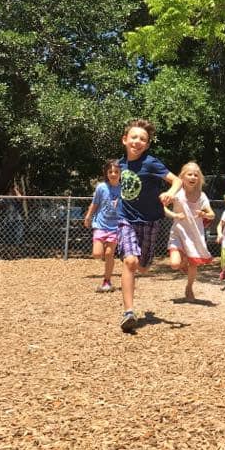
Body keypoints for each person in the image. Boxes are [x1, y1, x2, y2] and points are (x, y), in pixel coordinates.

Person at [117, 119, 182, 333]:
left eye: (142, 139)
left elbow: (177, 181)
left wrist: (170, 193)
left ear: (147, 144)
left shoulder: (151, 163)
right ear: (125, 140)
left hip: (150, 220)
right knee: (129, 261)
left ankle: (141, 268)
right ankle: (128, 312)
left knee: (142, 266)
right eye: (134, 137)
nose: (137, 141)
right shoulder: (120, 164)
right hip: (126, 219)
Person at [165, 161, 215, 300]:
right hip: (178, 232)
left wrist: (204, 214)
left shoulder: (202, 196)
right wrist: (174, 215)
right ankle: (183, 262)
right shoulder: (177, 193)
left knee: (193, 264)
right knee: (175, 264)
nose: (193, 177)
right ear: (182, 177)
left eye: (196, 175)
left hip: (194, 235)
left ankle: (189, 288)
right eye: (190, 174)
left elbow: (212, 214)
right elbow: (162, 207)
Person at [82, 160, 121, 293]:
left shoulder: (124, 189)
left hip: (116, 227)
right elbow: (95, 204)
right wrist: (88, 216)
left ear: (121, 173)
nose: (113, 174)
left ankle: (107, 280)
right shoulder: (101, 187)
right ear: (106, 173)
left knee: (110, 254)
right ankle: (103, 249)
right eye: (110, 172)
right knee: (97, 254)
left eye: (116, 171)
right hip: (100, 224)